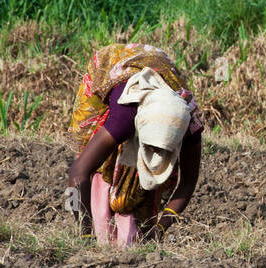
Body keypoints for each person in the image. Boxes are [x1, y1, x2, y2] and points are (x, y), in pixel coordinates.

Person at [66, 43, 203, 247]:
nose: (157, 154)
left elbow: (188, 182)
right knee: (94, 157)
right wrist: (84, 232)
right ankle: (94, 210)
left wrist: (160, 228)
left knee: (143, 183)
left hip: (162, 71)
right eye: (152, 148)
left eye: (164, 150)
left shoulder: (189, 125)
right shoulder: (124, 118)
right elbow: (76, 173)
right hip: (114, 64)